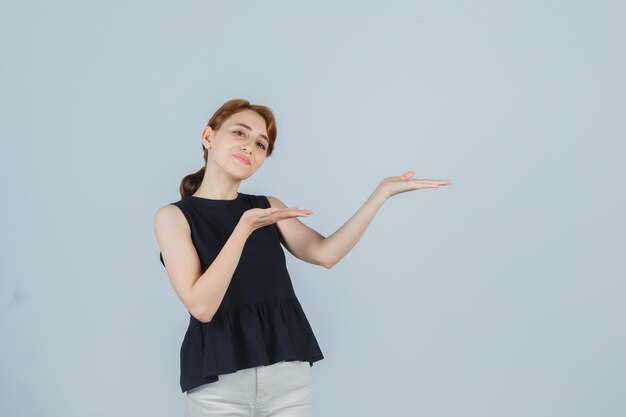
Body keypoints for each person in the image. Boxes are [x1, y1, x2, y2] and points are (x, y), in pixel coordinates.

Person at [153, 98, 452, 417]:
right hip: (219, 384)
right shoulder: (173, 217)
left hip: (288, 378)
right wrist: (243, 229)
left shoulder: (267, 206)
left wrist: (379, 195)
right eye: (240, 133)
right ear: (208, 137)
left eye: (261, 143)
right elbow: (202, 306)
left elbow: (325, 254)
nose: (250, 146)